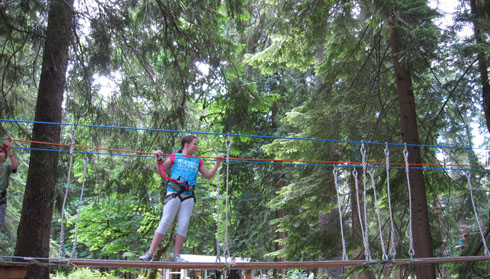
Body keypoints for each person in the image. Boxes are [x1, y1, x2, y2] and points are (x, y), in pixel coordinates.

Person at [140, 135, 224, 262]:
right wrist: (158, 159)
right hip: (174, 192)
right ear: (186, 144)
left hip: (188, 195)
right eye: (195, 144)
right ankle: (149, 253)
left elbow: (208, 175)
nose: (197, 146)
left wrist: (217, 164)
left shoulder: (197, 160)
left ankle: (176, 256)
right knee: (165, 222)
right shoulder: (175, 156)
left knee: (183, 225)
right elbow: (161, 171)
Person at [0, 139, 18, 227]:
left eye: (1, 152)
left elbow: (14, 167)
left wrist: (9, 151)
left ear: (5, 157)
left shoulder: (6, 166)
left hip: (1, 198)